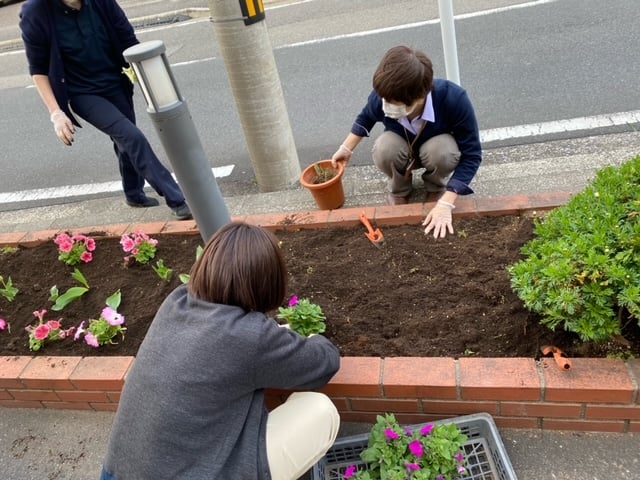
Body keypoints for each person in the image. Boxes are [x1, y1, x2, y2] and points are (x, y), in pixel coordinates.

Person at [100, 222, 341, 480]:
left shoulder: (177, 301)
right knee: (320, 410)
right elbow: (324, 364)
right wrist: (314, 336)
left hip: (116, 471)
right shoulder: (248, 336)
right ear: (266, 283)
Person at [19, 0, 192, 220]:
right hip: (83, 94)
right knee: (132, 136)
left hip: (116, 83)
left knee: (125, 138)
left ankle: (134, 193)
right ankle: (176, 199)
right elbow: (38, 70)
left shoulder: (102, 2)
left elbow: (128, 40)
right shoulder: (36, 12)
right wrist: (56, 113)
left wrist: (152, 82)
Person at [331, 45, 482, 238]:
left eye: (397, 104)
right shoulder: (385, 94)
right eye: (386, 100)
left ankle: (436, 187)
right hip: (401, 145)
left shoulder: (453, 98)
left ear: (421, 96)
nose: (387, 106)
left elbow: (472, 155)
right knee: (384, 149)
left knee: (442, 152)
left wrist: (447, 202)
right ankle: (399, 189)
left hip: (435, 147)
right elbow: (365, 118)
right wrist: (346, 148)